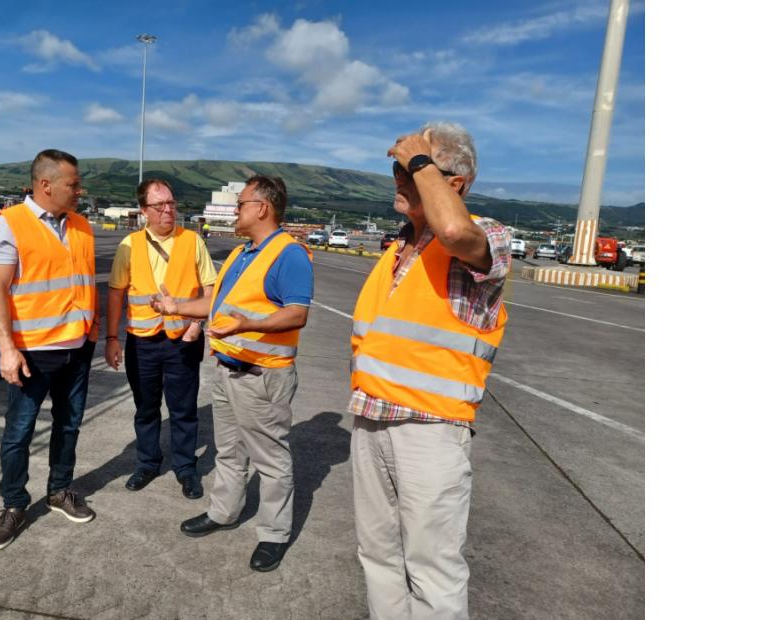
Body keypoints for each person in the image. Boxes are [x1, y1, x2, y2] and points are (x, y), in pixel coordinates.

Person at [348, 122, 510, 618]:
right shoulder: (397, 249)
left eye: (411, 169)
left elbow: (455, 232)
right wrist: (420, 164)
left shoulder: (487, 236)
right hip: (370, 417)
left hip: (430, 428)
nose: (399, 178)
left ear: (453, 183)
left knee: (432, 568)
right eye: (398, 168)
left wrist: (420, 160)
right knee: (377, 555)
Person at [152, 175, 313, 573]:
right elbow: (216, 307)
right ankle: (224, 511)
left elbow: (297, 313)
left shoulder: (288, 255)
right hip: (228, 370)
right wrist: (175, 307)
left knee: (271, 459)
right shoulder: (244, 253)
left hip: (262, 376)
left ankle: (274, 533)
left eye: (240, 204)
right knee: (229, 451)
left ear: (262, 208)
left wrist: (247, 325)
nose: (235, 211)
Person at [0, 149, 99, 551]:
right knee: (19, 432)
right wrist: (6, 348)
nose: (80, 191)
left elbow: (84, 280)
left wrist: (94, 330)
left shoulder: (81, 225)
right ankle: (14, 504)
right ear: (46, 185)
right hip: (32, 351)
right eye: (73, 184)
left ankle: (59, 490)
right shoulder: (10, 224)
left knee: (69, 425)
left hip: (77, 348)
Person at [104, 179, 217, 499]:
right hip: (142, 342)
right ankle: (148, 463)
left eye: (171, 203)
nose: (168, 210)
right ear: (144, 211)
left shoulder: (192, 241)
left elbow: (210, 289)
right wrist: (112, 338)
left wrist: (197, 324)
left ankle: (185, 467)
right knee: (146, 407)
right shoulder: (129, 245)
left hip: (184, 338)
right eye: (159, 205)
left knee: (183, 408)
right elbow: (116, 293)